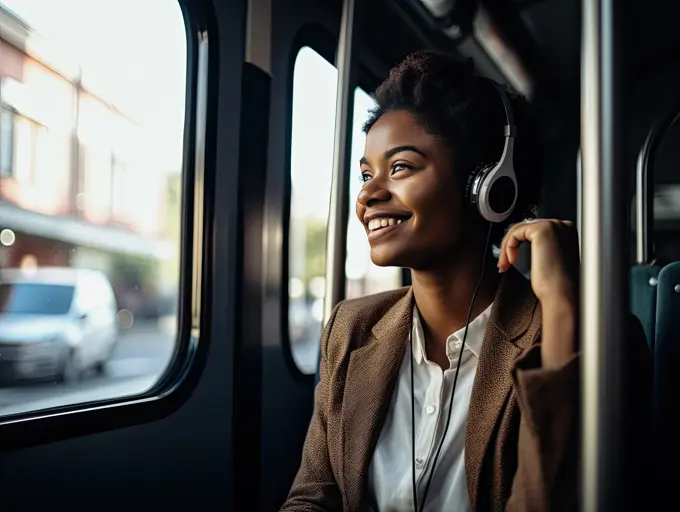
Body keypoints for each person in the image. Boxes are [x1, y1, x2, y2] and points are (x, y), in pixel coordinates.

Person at [281, 50, 651, 512]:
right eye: (366, 174)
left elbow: (561, 495)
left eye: (399, 168)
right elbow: (311, 498)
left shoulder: (597, 341)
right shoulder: (350, 328)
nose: (369, 195)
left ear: (488, 186)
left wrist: (561, 307)